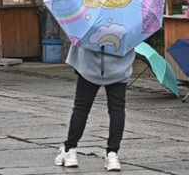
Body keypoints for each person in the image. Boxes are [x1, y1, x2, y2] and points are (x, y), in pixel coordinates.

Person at [55, 43, 135, 171]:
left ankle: (70, 150)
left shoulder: (89, 22)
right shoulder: (129, 24)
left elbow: (77, 39)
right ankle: (112, 154)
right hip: (119, 67)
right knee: (117, 110)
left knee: (81, 109)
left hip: (89, 66)